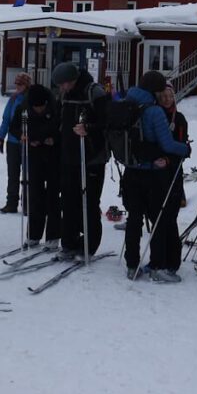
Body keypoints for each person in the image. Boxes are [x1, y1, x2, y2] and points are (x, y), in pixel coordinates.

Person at [121, 70, 192, 282]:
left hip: (130, 169)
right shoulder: (153, 111)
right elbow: (167, 144)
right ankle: (158, 265)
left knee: (134, 219)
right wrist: (185, 150)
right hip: (151, 173)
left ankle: (132, 264)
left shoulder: (127, 103)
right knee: (158, 219)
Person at [52, 61, 110, 261]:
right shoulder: (65, 95)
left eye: (64, 84)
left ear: (73, 80)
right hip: (69, 157)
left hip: (92, 157)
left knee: (90, 203)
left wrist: (89, 129)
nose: (62, 88)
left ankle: (89, 246)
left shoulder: (94, 92)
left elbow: (107, 122)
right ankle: (68, 243)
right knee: (68, 201)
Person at [9, 83, 61, 248]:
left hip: (53, 156)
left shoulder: (55, 107)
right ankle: (33, 234)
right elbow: (14, 128)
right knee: (35, 195)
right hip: (34, 154)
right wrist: (24, 137)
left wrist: (54, 139)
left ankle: (53, 235)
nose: (39, 110)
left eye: (41, 107)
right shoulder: (23, 108)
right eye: (36, 108)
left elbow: (62, 129)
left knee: (53, 196)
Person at [0, 72, 32, 214]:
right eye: (16, 84)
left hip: (27, 141)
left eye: (20, 84)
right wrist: (1, 137)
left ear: (26, 85)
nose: (17, 87)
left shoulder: (31, 99)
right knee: (13, 174)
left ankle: (27, 203)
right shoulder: (13, 99)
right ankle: (11, 202)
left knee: (28, 174)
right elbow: (6, 118)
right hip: (12, 141)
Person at [161, 80, 190, 208]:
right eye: (164, 96)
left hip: (174, 163)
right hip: (159, 163)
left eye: (170, 96)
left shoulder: (179, 118)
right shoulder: (156, 115)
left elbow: (182, 141)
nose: (167, 100)